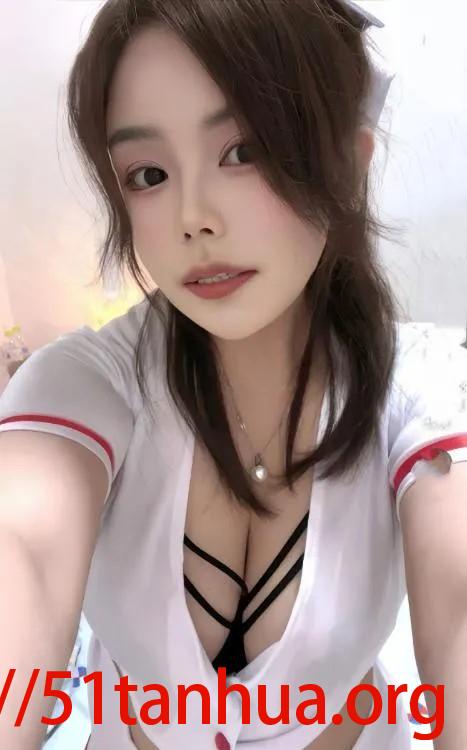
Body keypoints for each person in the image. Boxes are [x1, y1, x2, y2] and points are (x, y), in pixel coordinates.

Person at [1, 1, 467, 748]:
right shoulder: (84, 386)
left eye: (243, 150)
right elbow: (19, 543)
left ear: (348, 161)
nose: (193, 216)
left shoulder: (424, 388)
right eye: (149, 173)